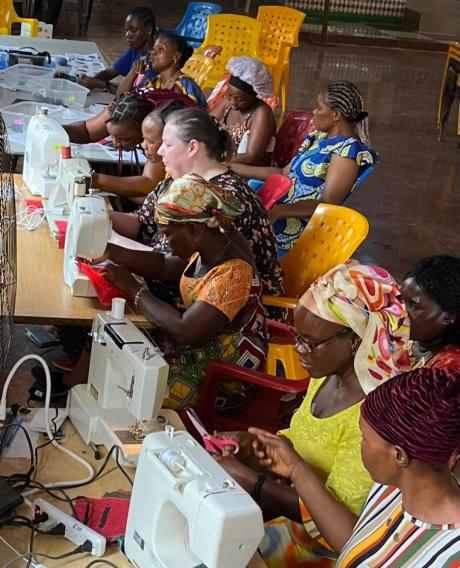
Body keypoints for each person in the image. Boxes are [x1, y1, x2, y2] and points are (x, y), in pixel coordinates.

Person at [216, 260, 410, 566]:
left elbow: (341, 525)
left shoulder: (375, 419)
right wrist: (255, 447)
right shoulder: (326, 373)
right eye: (298, 337)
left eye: (311, 343)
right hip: (284, 517)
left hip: (322, 551)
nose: (299, 350)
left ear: (355, 340)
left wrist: (256, 484)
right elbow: (303, 438)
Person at [249, 367, 460, 567]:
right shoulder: (393, 489)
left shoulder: (450, 556)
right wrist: (296, 469)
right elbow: (357, 545)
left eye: (365, 438)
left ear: (399, 455)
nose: (360, 445)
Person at [100, 174, 268, 411]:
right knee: (122, 349)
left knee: (143, 392)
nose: (165, 241)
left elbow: (184, 330)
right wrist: (111, 251)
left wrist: (133, 288)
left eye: (168, 234)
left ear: (192, 229)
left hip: (227, 369)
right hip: (203, 341)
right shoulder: (212, 240)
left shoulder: (233, 272)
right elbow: (164, 266)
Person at [110, 107, 284, 301]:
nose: (159, 151)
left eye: (167, 144)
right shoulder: (177, 181)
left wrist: (111, 244)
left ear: (192, 147)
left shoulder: (224, 198)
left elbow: (174, 268)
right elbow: (141, 222)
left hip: (222, 309)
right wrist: (101, 217)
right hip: (172, 294)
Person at [230, 81, 376, 256]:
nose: (314, 111)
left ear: (336, 114)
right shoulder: (319, 137)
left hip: (292, 226)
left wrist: (278, 212)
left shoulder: (347, 152)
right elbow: (284, 173)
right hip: (277, 208)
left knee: (227, 233)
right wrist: (232, 168)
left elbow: (328, 203)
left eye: (319, 107)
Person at [210, 57, 276, 166]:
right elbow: (207, 123)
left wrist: (214, 160)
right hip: (223, 161)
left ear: (254, 96)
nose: (233, 102)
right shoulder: (228, 102)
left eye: (240, 99)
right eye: (229, 95)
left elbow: (251, 156)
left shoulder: (261, 113)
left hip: (246, 169)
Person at [118, 33, 208, 109]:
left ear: (176, 57)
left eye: (160, 49)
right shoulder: (154, 83)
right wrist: (133, 72)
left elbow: (191, 118)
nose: (152, 52)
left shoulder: (185, 85)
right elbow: (120, 100)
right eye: (153, 49)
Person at [402, 255, 460, 372]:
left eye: (413, 305)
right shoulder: (403, 337)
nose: (399, 310)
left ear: (448, 317)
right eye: (399, 299)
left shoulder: (449, 369)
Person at [77, 7, 157, 91]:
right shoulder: (135, 49)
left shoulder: (155, 61)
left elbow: (137, 94)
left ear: (148, 30)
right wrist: (90, 80)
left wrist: (102, 85)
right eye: (126, 30)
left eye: (133, 30)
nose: (128, 35)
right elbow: (109, 73)